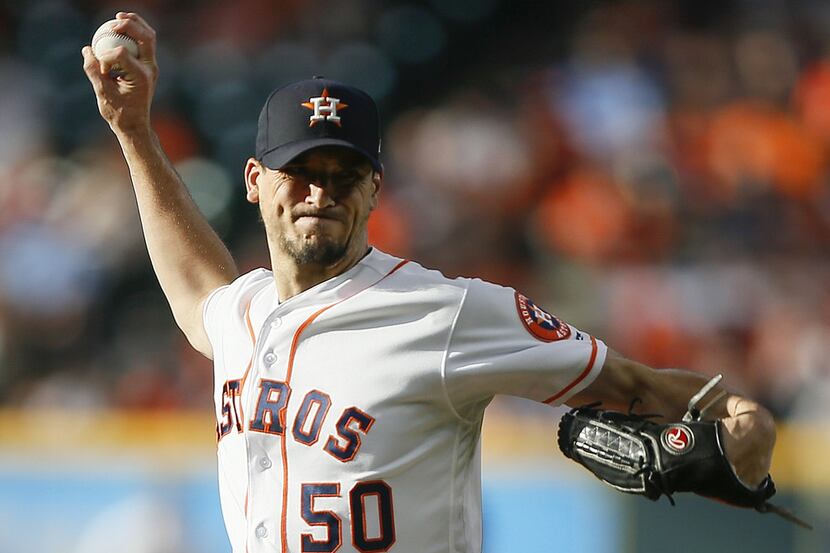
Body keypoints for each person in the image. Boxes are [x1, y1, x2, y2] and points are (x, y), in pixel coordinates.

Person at [81, 12, 776, 553]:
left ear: (374, 189)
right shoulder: (246, 311)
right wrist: (134, 132)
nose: (321, 192)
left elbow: (637, 385)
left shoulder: (445, 312)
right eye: (301, 171)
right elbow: (199, 291)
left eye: (344, 174)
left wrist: (744, 419)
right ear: (257, 184)